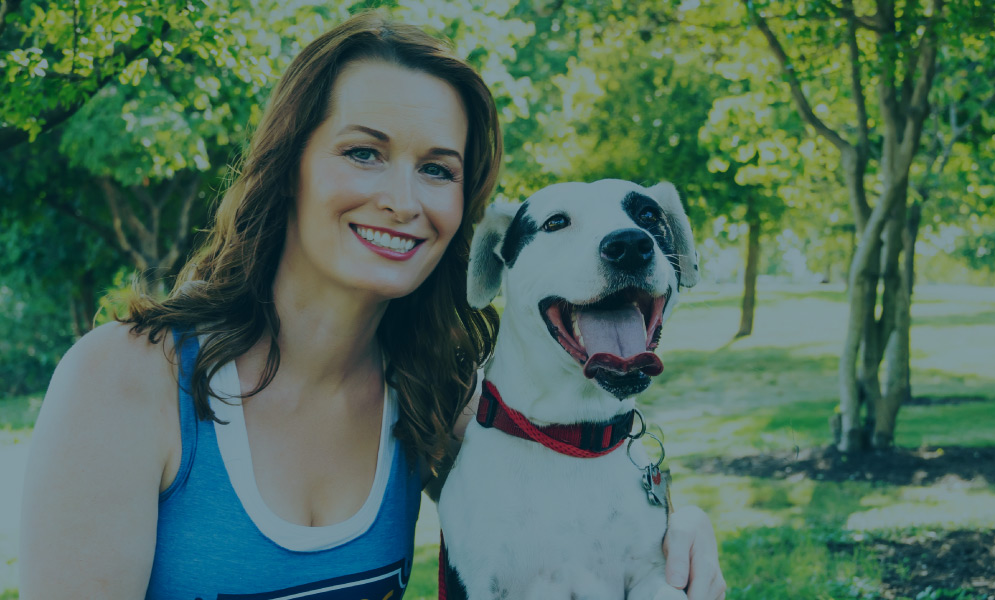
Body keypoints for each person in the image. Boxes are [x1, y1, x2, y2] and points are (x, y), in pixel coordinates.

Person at [18, 11, 725, 599]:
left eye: (437, 169)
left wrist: (680, 521)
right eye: (363, 153)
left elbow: (570, 474)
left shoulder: (435, 390)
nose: (402, 199)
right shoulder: (124, 380)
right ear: (288, 164)